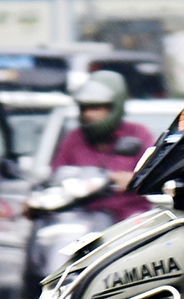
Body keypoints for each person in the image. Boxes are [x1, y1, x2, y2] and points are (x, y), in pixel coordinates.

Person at [50, 70, 154, 223]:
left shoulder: (138, 134)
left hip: (128, 221)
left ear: (115, 107)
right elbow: (57, 175)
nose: (88, 114)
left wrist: (133, 180)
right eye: (84, 108)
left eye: (96, 108)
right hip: (81, 218)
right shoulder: (74, 138)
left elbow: (154, 176)